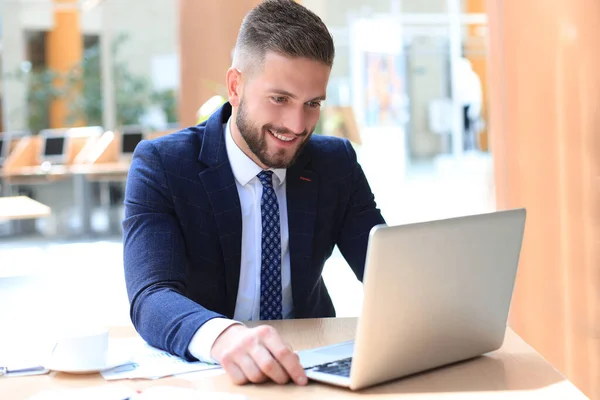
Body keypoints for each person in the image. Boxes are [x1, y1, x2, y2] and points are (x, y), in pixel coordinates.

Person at [123, 0, 385, 387]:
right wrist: (224, 337)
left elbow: (384, 272)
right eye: (279, 99)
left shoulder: (335, 164)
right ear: (235, 86)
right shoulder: (163, 165)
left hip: (310, 370)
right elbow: (152, 296)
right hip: (210, 373)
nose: (296, 125)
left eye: (311, 104)